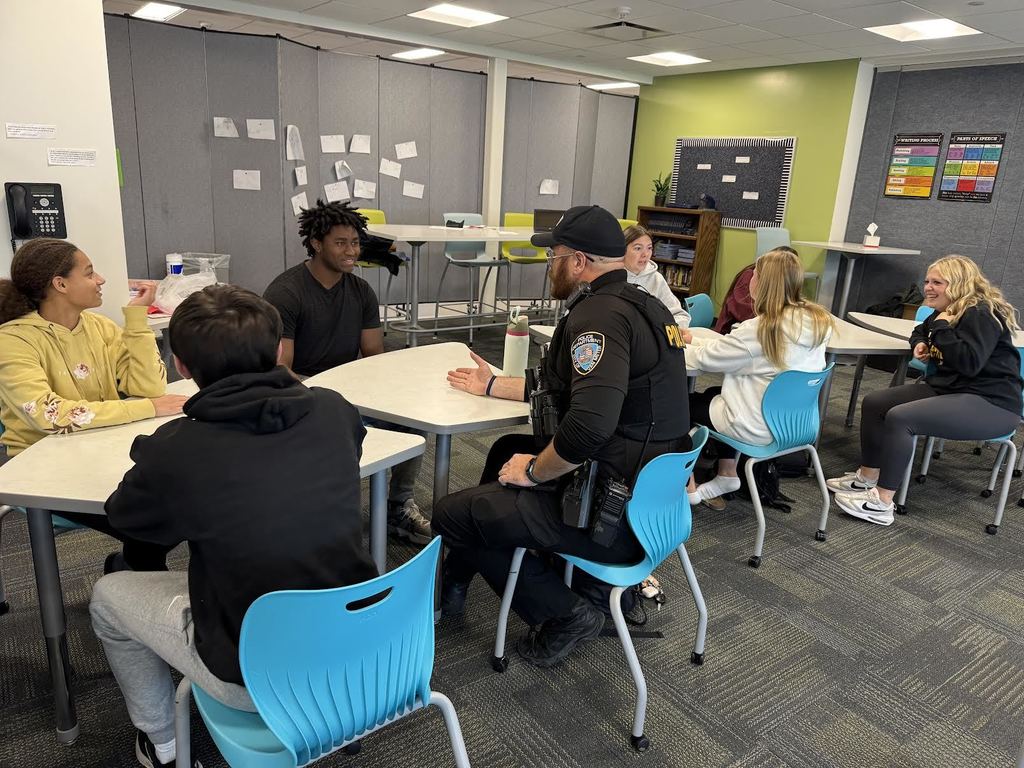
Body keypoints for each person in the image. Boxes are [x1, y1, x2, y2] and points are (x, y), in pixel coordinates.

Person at [90, 285, 378, 768]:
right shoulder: (334, 408)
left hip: (256, 673)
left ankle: (161, 743)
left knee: (109, 594)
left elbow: (127, 517)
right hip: (365, 645)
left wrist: (157, 458)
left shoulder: (180, 449)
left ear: (181, 366)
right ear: (276, 348)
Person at [434, 205, 690, 668]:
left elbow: (589, 426)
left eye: (554, 256)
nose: (550, 265)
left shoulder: (598, 318)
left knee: (452, 514)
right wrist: (493, 385)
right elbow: (573, 387)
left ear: (577, 261)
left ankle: (569, 613)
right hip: (651, 501)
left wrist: (534, 473)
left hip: (611, 513)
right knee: (505, 450)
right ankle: (496, 558)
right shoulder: (645, 306)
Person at [0, 238, 187, 572]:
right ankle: (133, 582)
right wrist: (145, 408)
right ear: (60, 284)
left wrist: (137, 318)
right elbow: (50, 415)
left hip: (98, 450)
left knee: (175, 508)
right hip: (42, 469)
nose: (100, 279)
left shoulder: (98, 326)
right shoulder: (12, 340)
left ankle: (129, 571)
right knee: (150, 523)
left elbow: (148, 387)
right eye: (89, 273)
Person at [263, 199, 430, 544]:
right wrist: (335, 397)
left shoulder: (361, 291)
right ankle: (325, 514)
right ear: (315, 243)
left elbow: (373, 355)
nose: (351, 251)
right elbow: (282, 370)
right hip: (303, 396)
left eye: (354, 243)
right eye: (341, 243)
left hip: (352, 390)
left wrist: (388, 392)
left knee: (414, 418)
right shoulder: (286, 291)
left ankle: (397, 508)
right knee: (337, 427)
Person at [830, 255, 1022, 526]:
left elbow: (969, 362)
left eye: (937, 282)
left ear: (957, 284)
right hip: (952, 390)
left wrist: (941, 328)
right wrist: (920, 342)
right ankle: (867, 477)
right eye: (927, 281)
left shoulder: (980, 313)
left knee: (901, 418)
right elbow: (921, 329)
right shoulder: (947, 310)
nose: (928, 287)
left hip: (992, 403)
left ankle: (882, 502)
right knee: (875, 402)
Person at [685, 248, 833, 507]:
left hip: (755, 426)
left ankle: (686, 488)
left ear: (761, 283)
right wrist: (696, 339)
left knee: (680, 407)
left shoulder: (761, 331)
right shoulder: (816, 321)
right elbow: (735, 352)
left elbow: (706, 359)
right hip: (795, 424)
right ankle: (727, 474)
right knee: (713, 396)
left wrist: (679, 345)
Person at [622, 224, 691, 330]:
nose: (645, 254)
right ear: (623, 250)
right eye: (638, 248)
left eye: (649, 248)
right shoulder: (611, 276)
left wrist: (674, 330)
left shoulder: (656, 278)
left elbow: (679, 315)